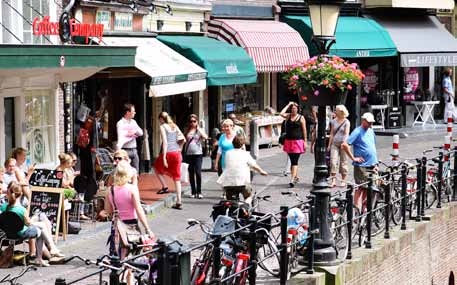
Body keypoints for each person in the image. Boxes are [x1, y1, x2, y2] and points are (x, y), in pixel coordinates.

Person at [104, 161, 155, 285]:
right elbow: (139, 210)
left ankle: (128, 282)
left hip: (116, 226)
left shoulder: (110, 190)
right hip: (131, 226)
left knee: (120, 257)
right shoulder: (132, 189)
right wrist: (147, 229)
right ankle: (122, 280)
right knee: (130, 258)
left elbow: (107, 211)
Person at [0, 182, 63, 267]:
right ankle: (41, 256)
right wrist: (33, 219)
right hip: (21, 234)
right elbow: (28, 223)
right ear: (21, 194)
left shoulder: (3, 207)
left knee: (41, 225)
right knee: (41, 228)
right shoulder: (22, 209)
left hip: (7, 234)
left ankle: (50, 249)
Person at [342, 112, 378, 211]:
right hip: (362, 165)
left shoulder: (371, 131)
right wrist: (353, 158)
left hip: (371, 164)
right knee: (361, 188)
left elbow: (373, 147)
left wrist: (376, 163)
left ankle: (364, 211)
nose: (371, 125)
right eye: (369, 122)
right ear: (363, 121)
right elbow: (345, 145)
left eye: (372, 123)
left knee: (370, 188)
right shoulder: (357, 131)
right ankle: (357, 211)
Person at [217, 134, 268, 205]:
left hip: (228, 183)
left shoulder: (227, 153)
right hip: (242, 183)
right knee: (248, 196)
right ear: (243, 144)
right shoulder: (245, 154)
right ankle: (245, 206)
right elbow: (254, 165)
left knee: (229, 200)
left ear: (232, 143)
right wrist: (261, 171)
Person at [153, 112, 186, 210]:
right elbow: (183, 139)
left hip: (168, 153)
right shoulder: (174, 126)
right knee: (177, 178)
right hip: (177, 153)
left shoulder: (163, 126)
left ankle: (164, 186)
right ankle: (179, 201)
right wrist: (180, 148)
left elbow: (165, 142)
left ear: (161, 119)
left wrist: (163, 157)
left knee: (156, 167)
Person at [280, 102, 307, 188]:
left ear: (298, 109)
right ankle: (295, 176)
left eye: (295, 108)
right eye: (292, 108)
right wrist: (288, 105)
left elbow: (304, 130)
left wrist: (305, 141)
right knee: (292, 161)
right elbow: (281, 114)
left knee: (295, 161)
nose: (293, 110)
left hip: (297, 142)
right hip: (288, 141)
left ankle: (292, 179)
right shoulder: (288, 116)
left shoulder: (301, 118)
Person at [183, 114, 208, 199]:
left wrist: (199, 129)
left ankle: (199, 191)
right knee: (191, 173)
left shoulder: (199, 130)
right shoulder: (187, 130)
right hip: (188, 154)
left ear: (197, 121)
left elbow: (205, 137)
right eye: (191, 121)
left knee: (198, 172)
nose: (192, 123)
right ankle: (193, 191)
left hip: (198, 154)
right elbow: (183, 141)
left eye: (194, 121)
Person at [327, 105, 350, 188]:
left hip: (343, 144)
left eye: (336, 110)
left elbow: (346, 134)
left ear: (341, 112)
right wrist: (329, 145)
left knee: (343, 162)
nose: (335, 112)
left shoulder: (346, 122)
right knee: (333, 161)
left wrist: (344, 143)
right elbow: (332, 133)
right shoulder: (333, 121)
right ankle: (333, 180)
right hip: (335, 143)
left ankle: (343, 180)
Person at [117, 103, 143, 173]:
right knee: (125, 174)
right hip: (125, 151)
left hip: (134, 150)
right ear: (128, 112)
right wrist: (118, 152)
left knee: (136, 173)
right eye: (133, 111)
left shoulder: (133, 122)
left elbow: (141, 132)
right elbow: (120, 138)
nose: (135, 113)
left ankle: (135, 183)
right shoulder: (120, 123)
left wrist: (134, 131)